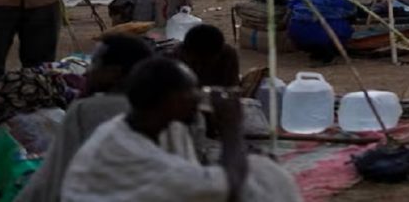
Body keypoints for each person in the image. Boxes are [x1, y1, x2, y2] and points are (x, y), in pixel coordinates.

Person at [61, 57, 302, 202]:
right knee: (264, 179)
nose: (197, 98)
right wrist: (231, 127)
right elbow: (226, 186)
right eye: (191, 92)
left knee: (259, 167)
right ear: (170, 100)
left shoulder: (126, 130)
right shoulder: (132, 153)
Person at [17, 34, 154, 202]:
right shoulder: (157, 109)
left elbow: (54, 174)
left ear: (114, 72)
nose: (88, 72)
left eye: (95, 64)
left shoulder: (86, 111)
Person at [287, 0, 355, 65]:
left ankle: (319, 53)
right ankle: (326, 54)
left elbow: (293, 4)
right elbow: (347, 8)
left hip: (301, 28)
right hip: (329, 29)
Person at [175, 24, 240, 88]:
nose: (200, 66)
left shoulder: (227, 55)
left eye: (205, 62)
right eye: (196, 61)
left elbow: (232, 86)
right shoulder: (175, 59)